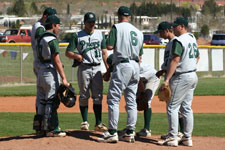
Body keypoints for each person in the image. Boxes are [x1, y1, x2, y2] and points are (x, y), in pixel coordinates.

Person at [97, 6, 143, 143]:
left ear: (118, 15)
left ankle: (112, 132)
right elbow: (140, 54)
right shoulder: (138, 32)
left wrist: (105, 38)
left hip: (123, 65)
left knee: (113, 99)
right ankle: (130, 132)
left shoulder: (117, 27)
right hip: (135, 65)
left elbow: (109, 46)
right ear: (129, 16)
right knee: (131, 101)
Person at [158, 17, 200, 147]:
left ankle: (172, 137)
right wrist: (189, 66)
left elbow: (175, 60)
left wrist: (167, 79)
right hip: (192, 75)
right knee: (186, 108)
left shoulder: (179, 40)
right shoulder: (192, 38)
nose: (173, 28)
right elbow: (198, 56)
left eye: (175, 26)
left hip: (181, 76)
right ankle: (187, 137)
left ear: (182, 26)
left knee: (172, 107)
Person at [65, 12, 108, 132]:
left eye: (93, 22)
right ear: (84, 22)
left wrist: (108, 68)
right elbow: (68, 52)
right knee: (84, 95)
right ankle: (84, 122)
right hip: (84, 68)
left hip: (97, 68)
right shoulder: (77, 36)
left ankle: (98, 123)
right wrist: (76, 56)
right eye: (89, 22)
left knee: (98, 96)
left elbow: (104, 52)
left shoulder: (100, 34)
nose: (91, 24)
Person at [35, 15, 69, 137]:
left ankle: (40, 128)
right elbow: (56, 60)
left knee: (42, 101)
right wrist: (64, 78)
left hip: (40, 72)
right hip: (49, 72)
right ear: (53, 25)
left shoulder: (40, 38)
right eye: (58, 25)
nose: (59, 28)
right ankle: (52, 128)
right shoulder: (51, 39)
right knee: (51, 100)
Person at [154, 21, 184, 141]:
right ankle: (175, 132)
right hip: (170, 75)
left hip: (175, 77)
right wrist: (163, 71)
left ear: (167, 30)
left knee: (175, 106)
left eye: (160, 32)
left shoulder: (176, 42)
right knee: (173, 105)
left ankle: (179, 133)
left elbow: (176, 60)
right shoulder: (169, 44)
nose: (159, 35)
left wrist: (168, 77)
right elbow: (169, 62)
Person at [31, 7, 57, 135]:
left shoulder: (38, 25)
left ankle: (39, 125)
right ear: (46, 16)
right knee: (48, 96)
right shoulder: (40, 27)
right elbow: (44, 41)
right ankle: (47, 127)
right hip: (42, 63)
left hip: (40, 63)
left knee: (41, 96)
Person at [136, 63, 160, 138]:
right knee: (133, 101)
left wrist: (142, 93)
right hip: (143, 77)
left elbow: (138, 80)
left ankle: (147, 130)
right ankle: (130, 129)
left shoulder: (132, 67)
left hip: (153, 77)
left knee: (147, 101)